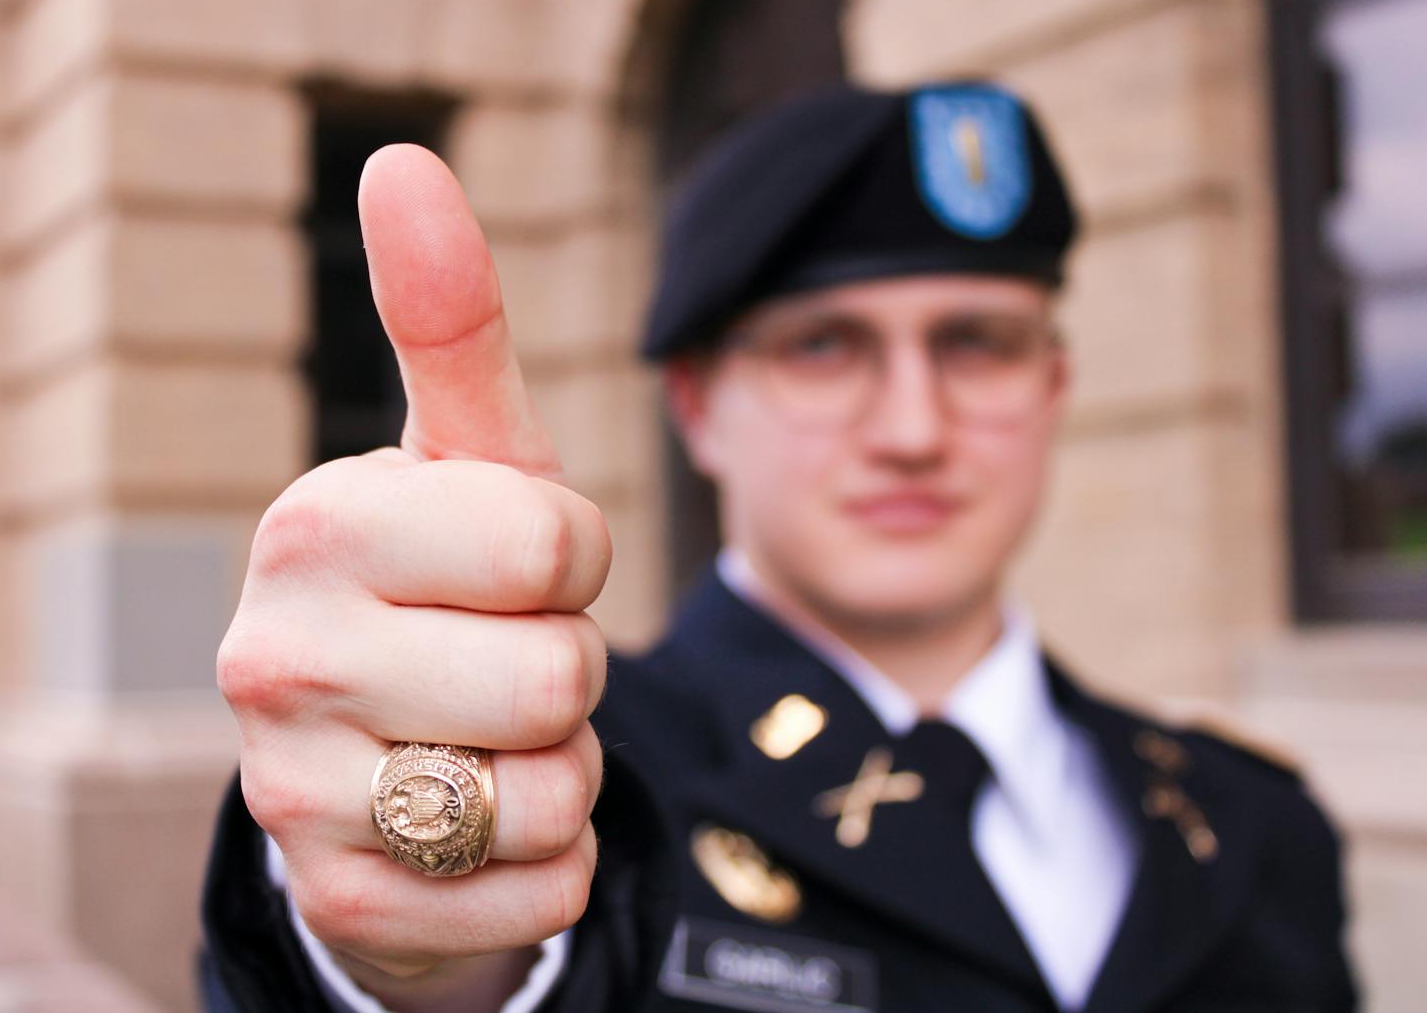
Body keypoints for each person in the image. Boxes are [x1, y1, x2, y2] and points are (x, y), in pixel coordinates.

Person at [197, 83, 1358, 1013]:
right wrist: (405, 955)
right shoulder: (576, 767)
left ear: (1053, 386)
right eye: (821, 346)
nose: (913, 430)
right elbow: (502, 961)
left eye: (980, 343)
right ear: (697, 407)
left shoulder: (1249, 817)